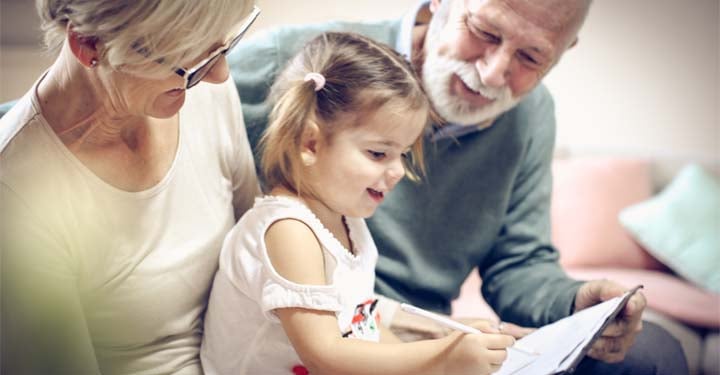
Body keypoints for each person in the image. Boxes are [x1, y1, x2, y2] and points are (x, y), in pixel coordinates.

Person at [226, 0, 689, 373]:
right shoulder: (304, 69)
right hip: (346, 350)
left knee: (652, 353)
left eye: (531, 57)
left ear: (563, 54)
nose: (492, 73)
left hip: (392, 333)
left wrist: (575, 304)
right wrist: (443, 353)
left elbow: (517, 263)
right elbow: (326, 351)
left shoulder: (530, 117)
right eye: (485, 32)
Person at [200, 31, 516, 375]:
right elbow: (324, 355)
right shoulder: (289, 230)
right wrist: (441, 358)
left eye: (403, 155)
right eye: (379, 153)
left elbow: (359, 323)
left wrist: (436, 351)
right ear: (310, 143)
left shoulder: (348, 226)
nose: (397, 171)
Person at [0, 0, 261, 373]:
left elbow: (261, 253)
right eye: (190, 60)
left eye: (222, 46)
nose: (220, 73)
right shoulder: (16, 194)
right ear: (89, 45)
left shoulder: (202, 90)